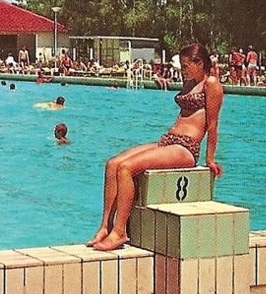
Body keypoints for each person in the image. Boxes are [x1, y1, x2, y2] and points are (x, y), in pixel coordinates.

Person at [87, 43, 224, 252]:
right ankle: (105, 227)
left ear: (200, 63)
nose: (183, 70)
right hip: (169, 140)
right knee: (113, 164)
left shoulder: (211, 84)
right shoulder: (189, 83)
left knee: (126, 168)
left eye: (187, 66)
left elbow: (212, 123)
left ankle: (119, 231)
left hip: (186, 148)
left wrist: (210, 159)